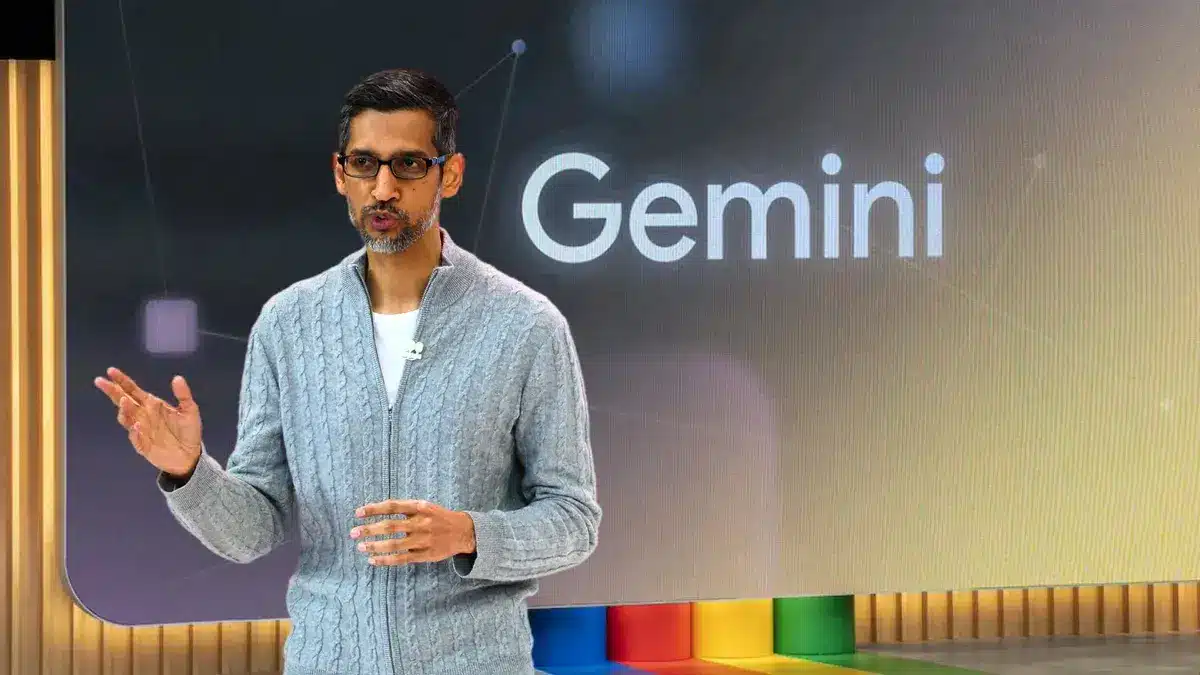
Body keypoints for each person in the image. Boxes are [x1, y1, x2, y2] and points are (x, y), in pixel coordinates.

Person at [93, 68, 602, 675]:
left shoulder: (526, 325)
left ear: (451, 174)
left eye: (409, 165)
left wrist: (469, 534)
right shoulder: (288, 323)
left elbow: (573, 519)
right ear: (341, 174)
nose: (383, 189)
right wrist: (187, 472)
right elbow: (253, 531)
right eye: (365, 164)